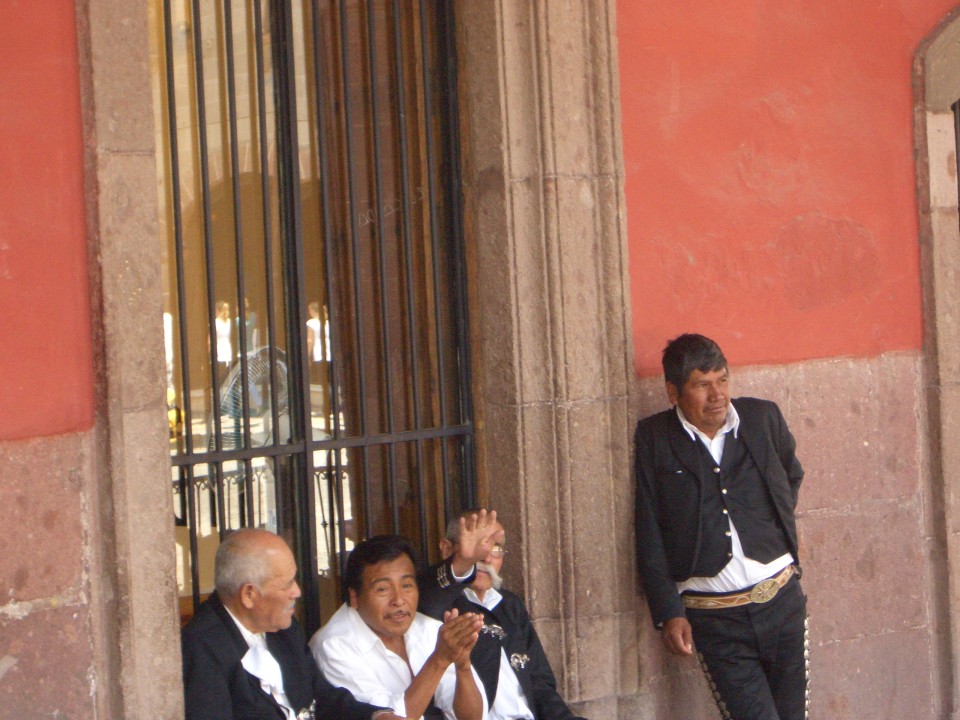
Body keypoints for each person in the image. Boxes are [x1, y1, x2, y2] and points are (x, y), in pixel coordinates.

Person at [633, 333, 808, 720]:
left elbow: (790, 477)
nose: (717, 395)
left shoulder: (763, 418)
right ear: (673, 392)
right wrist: (668, 611)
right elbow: (648, 529)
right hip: (716, 618)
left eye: (722, 380)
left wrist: (767, 528)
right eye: (702, 384)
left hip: (781, 603)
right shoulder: (654, 439)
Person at [181, 528, 398, 720]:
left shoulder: (283, 628)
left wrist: (375, 716)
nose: (297, 591)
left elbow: (322, 697)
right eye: (286, 585)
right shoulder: (200, 649)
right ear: (248, 594)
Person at [418, 510, 587, 720]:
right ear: (447, 548)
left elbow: (539, 684)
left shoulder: (510, 605)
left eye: (496, 548)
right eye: (479, 545)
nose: (486, 557)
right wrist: (461, 564)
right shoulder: (437, 602)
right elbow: (426, 593)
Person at [310, 535, 486, 720]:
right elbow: (389, 717)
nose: (399, 600)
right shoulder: (334, 646)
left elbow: (473, 718)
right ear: (354, 597)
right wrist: (440, 660)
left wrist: (462, 664)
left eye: (407, 585)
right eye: (383, 589)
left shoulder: (428, 628)